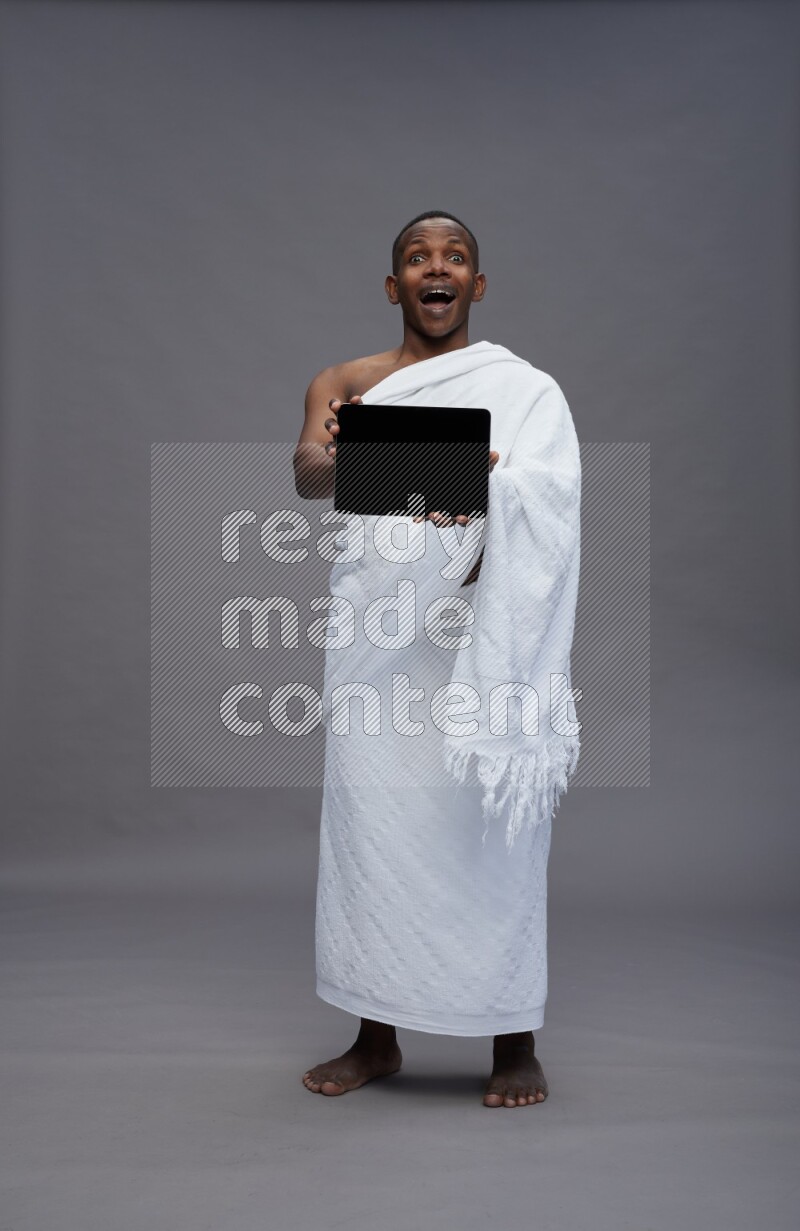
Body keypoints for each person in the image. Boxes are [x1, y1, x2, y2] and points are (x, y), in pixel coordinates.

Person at [293, 211, 578, 1108]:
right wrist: (364, 452)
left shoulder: (525, 388)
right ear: (394, 286)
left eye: (455, 256)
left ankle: (513, 1037)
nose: (436, 267)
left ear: (477, 285)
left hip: (476, 638)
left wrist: (434, 470)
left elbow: (545, 498)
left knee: (492, 831)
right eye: (417, 257)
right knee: (372, 832)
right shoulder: (344, 381)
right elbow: (308, 474)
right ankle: (375, 1035)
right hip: (378, 636)